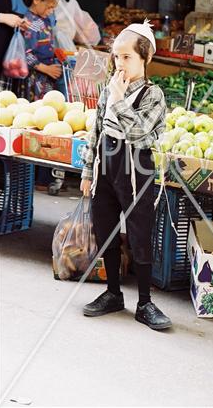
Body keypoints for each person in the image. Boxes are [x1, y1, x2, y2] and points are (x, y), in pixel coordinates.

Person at [80, 20, 172, 330]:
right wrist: (87, 171)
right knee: (104, 226)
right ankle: (113, 293)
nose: (120, 64)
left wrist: (120, 100)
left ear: (145, 58)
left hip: (137, 167)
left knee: (139, 232)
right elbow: (96, 129)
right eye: (116, 57)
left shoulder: (153, 95)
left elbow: (140, 134)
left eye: (127, 57)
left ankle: (144, 302)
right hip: (106, 165)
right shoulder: (109, 88)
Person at [22, 0, 62, 101]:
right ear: (36, 0)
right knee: (38, 109)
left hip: (46, 78)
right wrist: (46, 69)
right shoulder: (30, 24)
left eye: (53, 8)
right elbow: (26, 53)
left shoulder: (44, 20)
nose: (51, 11)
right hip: (34, 80)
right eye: (49, 7)